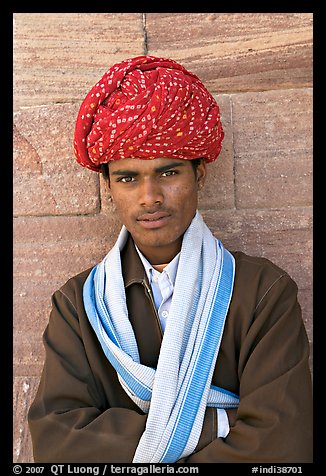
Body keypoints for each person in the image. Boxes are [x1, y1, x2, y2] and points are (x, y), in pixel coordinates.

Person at [27, 55, 313, 463]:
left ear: (199, 174)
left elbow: (283, 442)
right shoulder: (77, 306)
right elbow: (58, 441)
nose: (150, 197)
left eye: (169, 172)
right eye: (128, 178)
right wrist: (218, 424)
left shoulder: (262, 293)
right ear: (108, 186)